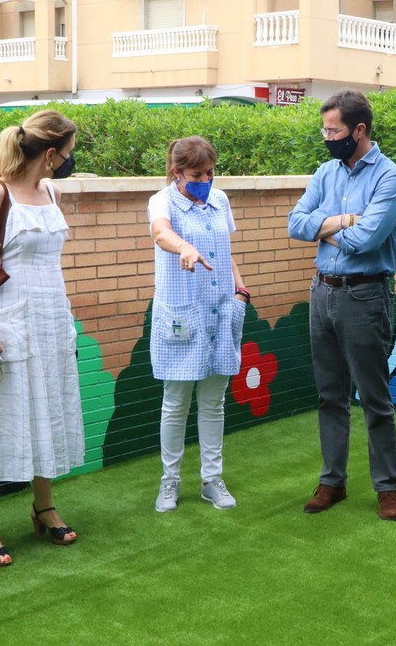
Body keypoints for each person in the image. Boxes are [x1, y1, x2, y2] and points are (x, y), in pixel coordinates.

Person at [0, 110, 85, 567]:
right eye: (70, 153)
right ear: (51, 154)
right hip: (9, 325)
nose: (71, 160)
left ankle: (44, 505)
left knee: (47, 409)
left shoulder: (50, 189)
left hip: (53, 320)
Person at [287, 90, 396, 521]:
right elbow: (294, 224)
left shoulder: (390, 177)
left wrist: (323, 228)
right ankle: (331, 482)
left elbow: (367, 240)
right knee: (329, 395)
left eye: (333, 130)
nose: (327, 137)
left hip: (365, 295)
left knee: (374, 397)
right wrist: (340, 221)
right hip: (322, 292)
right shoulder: (326, 172)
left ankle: (387, 489)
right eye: (325, 129)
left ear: (359, 130)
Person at [148, 136, 248, 513]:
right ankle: (169, 482)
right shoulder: (162, 201)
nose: (205, 179)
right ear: (177, 173)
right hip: (182, 314)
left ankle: (212, 480)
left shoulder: (219, 200)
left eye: (210, 172)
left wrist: (239, 286)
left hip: (221, 310)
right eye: (196, 174)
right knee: (176, 404)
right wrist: (184, 248)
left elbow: (225, 250)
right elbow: (161, 233)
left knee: (214, 403)